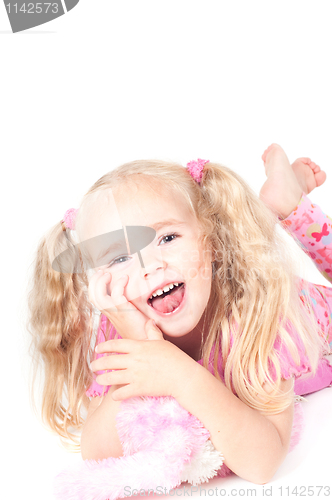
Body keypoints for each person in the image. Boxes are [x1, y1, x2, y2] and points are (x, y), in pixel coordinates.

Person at [28, 143, 332, 485]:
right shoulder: (121, 323)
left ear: (213, 241)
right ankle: (275, 203)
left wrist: (179, 374)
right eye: (118, 258)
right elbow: (98, 452)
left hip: (318, 321)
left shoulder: (262, 311)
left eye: (167, 237)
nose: (149, 267)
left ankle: (290, 204)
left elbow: (262, 465)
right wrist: (143, 343)